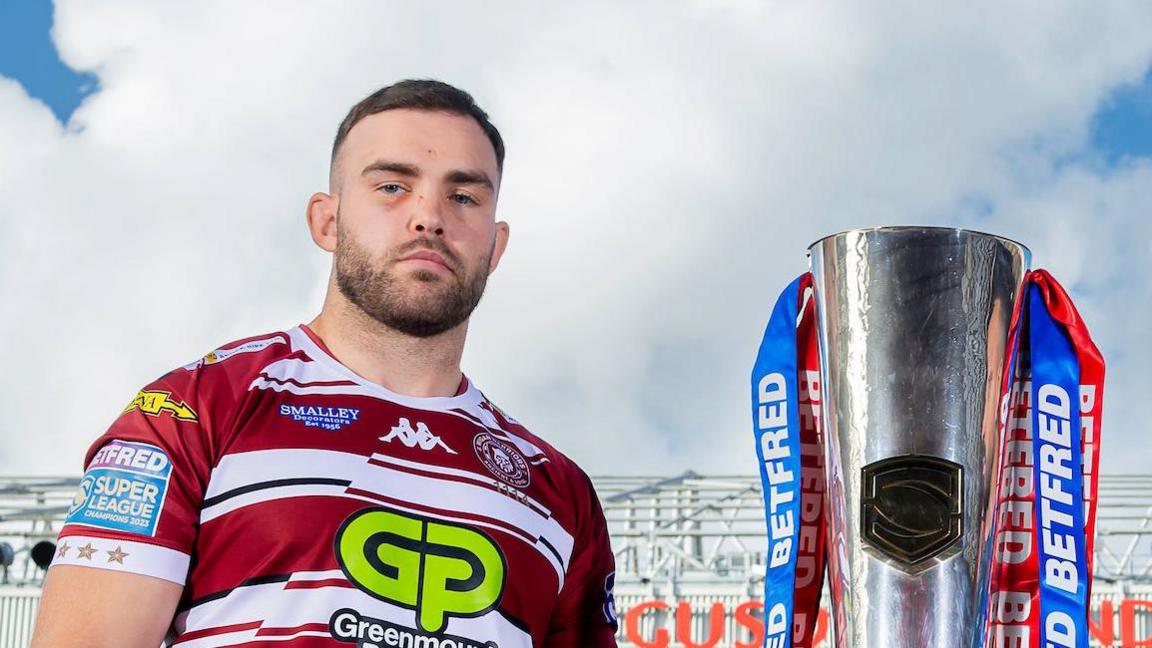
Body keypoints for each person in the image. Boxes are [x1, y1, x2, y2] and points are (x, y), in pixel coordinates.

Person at [32, 79, 619, 648]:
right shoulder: (193, 408)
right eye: (392, 187)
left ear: (495, 246)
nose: (429, 217)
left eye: (464, 197)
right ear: (327, 221)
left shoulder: (558, 491)